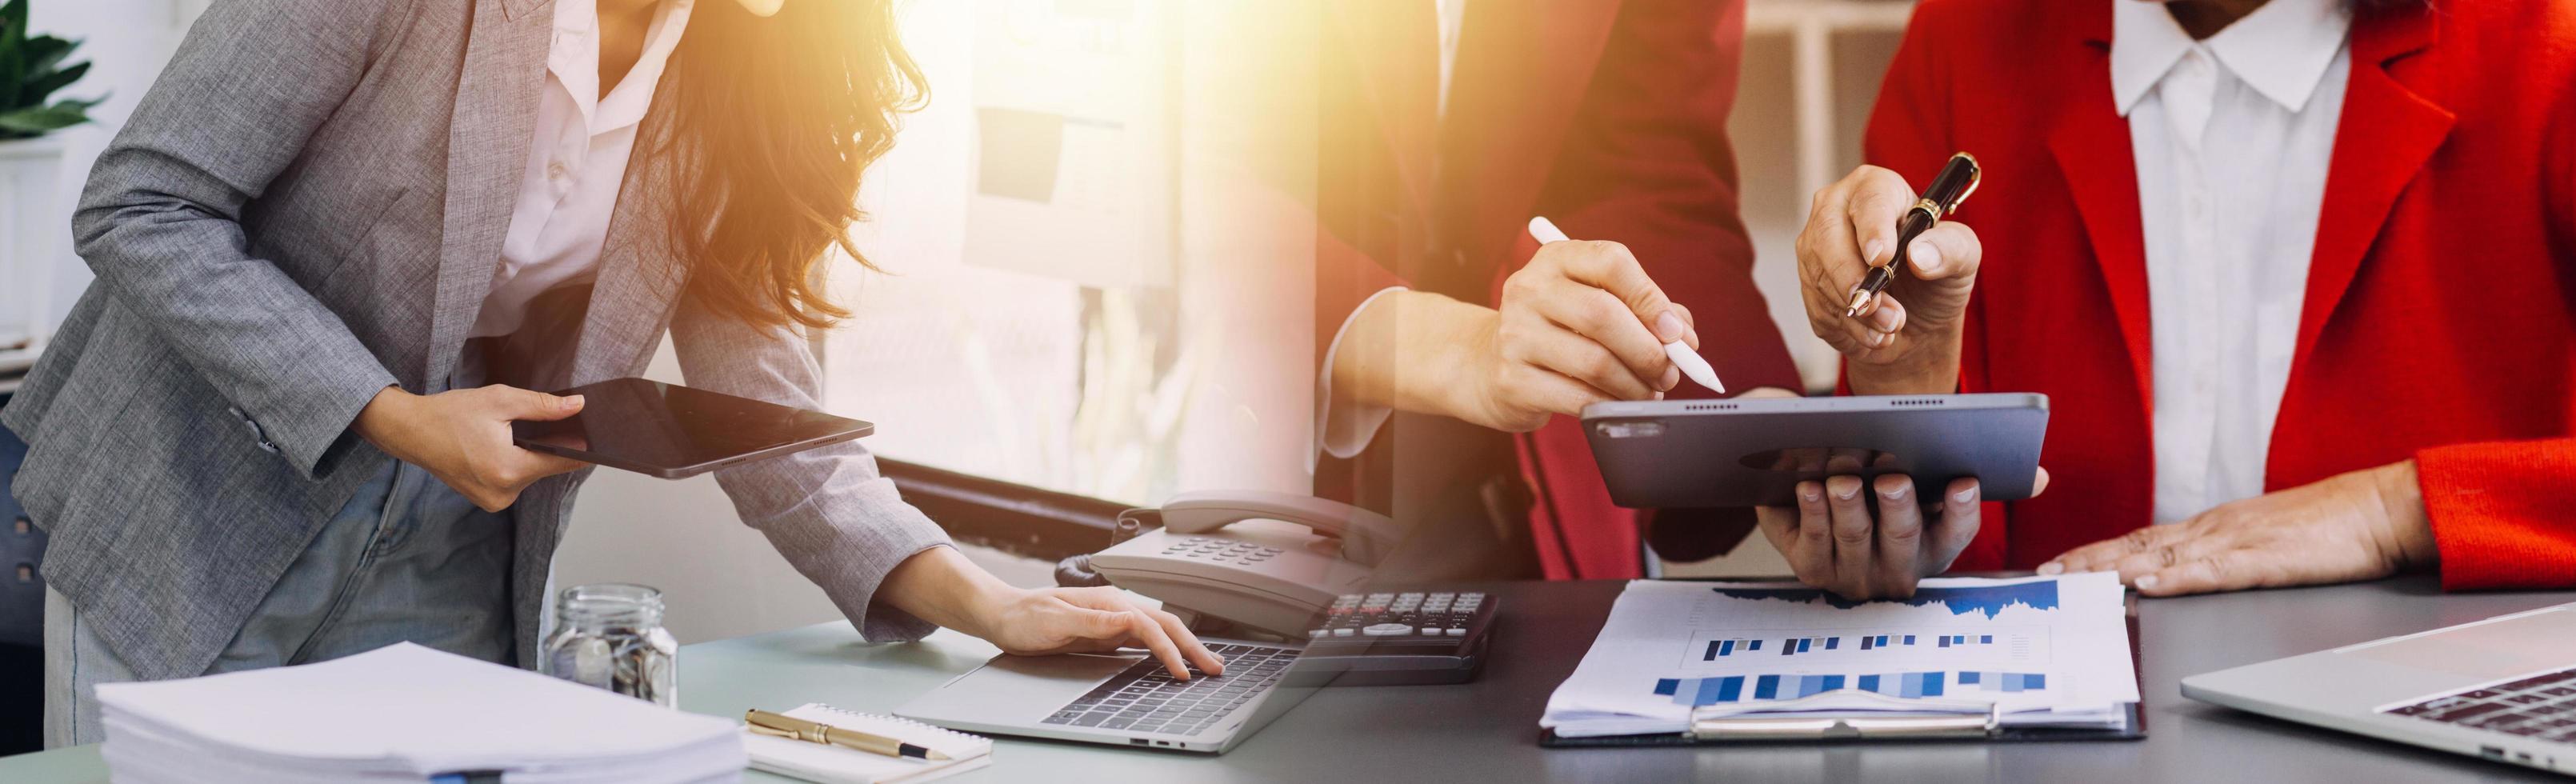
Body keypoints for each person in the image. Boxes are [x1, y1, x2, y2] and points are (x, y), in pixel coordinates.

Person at [4, 0, 1220, 747]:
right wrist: (395, 416)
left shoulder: (747, 75)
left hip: (453, 548)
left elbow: (773, 416)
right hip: (192, 510)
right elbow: (143, 206)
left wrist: (987, 601)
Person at [1778, 0, 2575, 599]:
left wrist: (2390, 510)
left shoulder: (2545, 42)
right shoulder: (1968, 38)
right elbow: (1950, 563)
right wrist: (1904, 400)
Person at [1313, 0, 1803, 580]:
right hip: (1281, 456)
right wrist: (1456, 347)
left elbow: (1645, 157)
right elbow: (1213, 187)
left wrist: (1750, 410)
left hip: (1507, 490)